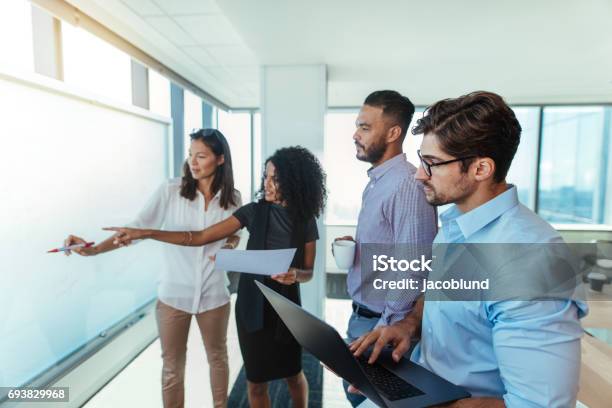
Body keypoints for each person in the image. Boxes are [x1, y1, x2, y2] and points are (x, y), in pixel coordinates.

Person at [350, 91, 588, 407]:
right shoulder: (456, 228)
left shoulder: (531, 260)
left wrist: (416, 400)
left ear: (481, 169)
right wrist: (408, 325)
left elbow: (537, 405)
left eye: (432, 163)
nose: (420, 174)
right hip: (422, 384)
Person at [106, 146, 327, 408]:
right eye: (265, 177)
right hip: (251, 305)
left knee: (293, 374)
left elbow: (309, 272)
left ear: (294, 181)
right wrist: (147, 233)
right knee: (255, 383)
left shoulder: (305, 220)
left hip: (286, 308)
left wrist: (295, 275)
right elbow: (199, 237)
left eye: (275, 179)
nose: (267, 184)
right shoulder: (252, 211)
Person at [64, 129, 242, 408]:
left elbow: (233, 233)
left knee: (218, 358)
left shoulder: (233, 199)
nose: (193, 163)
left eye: (201, 156)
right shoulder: (171, 191)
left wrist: (230, 246)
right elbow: (137, 228)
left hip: (214, 294)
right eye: (190, 155)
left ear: (220, 160)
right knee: (172, 367)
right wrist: (94, 249)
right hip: (173, 295)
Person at [333, 90, 437, 406]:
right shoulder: (379, 181)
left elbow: (412, 268)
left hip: (383, 327)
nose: (355, 134)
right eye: (357, 126)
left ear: (393, 133)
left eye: (365, 127)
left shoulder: (405, 185)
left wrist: (381, 332)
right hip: (365, 319)